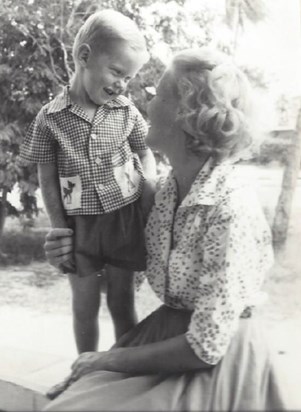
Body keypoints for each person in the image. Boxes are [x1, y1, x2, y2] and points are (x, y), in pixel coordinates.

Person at [42, 47, 287, 411]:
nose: (145, 105)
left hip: (215, 356)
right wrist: (64, 249)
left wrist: (105, 359)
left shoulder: (230, 208)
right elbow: (118, 248)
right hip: (167, 335)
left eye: (158, 96)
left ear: (185, 115)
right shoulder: (163, 191)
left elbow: (205, 346)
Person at [20, 9, 157, 358]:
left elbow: (146, 152)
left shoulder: (125, 110)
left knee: (122, 300)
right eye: (116, 71)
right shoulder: (50, 117)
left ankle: (123, 369)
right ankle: (84, 370)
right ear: (84, 57)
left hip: (124, 218)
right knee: (83, 304)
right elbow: (46, 174)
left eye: (128, 78)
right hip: (78, 225)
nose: (121, 84)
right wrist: (58, 227)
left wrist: (149, 189)